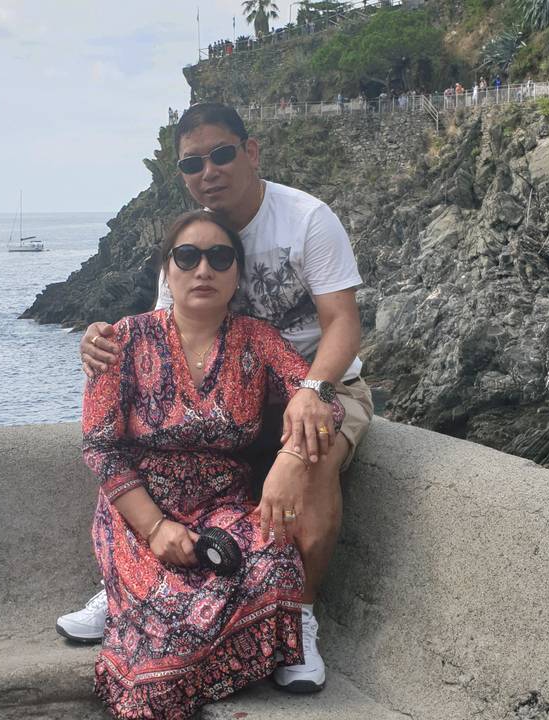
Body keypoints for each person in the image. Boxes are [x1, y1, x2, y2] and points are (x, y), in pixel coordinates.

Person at [58, 102, 373, 693]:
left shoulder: (306, 219)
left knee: (314, 453)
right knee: (155, 451)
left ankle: (300, 617)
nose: (209, 171)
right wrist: (104, 345)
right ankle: (123, 582)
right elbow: (164, 337)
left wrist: (309, 396)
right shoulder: (195, 236)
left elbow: (343, 323)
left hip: (319, 378)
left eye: (222, 154)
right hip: (235, 391)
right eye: (192, 162)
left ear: (250, 152)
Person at [85, 209, 346, 718]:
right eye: (187, 256)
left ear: (236, 275)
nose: (203, 269)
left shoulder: (258, 339)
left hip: (224, 508)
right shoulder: (122, 339)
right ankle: (125, 608)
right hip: (139, 509)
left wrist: (290, 457)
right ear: (167, 270)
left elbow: (325, 405)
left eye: (219, 257)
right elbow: (101, 447)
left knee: (276, 563)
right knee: (168, 617)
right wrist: (155, 528)